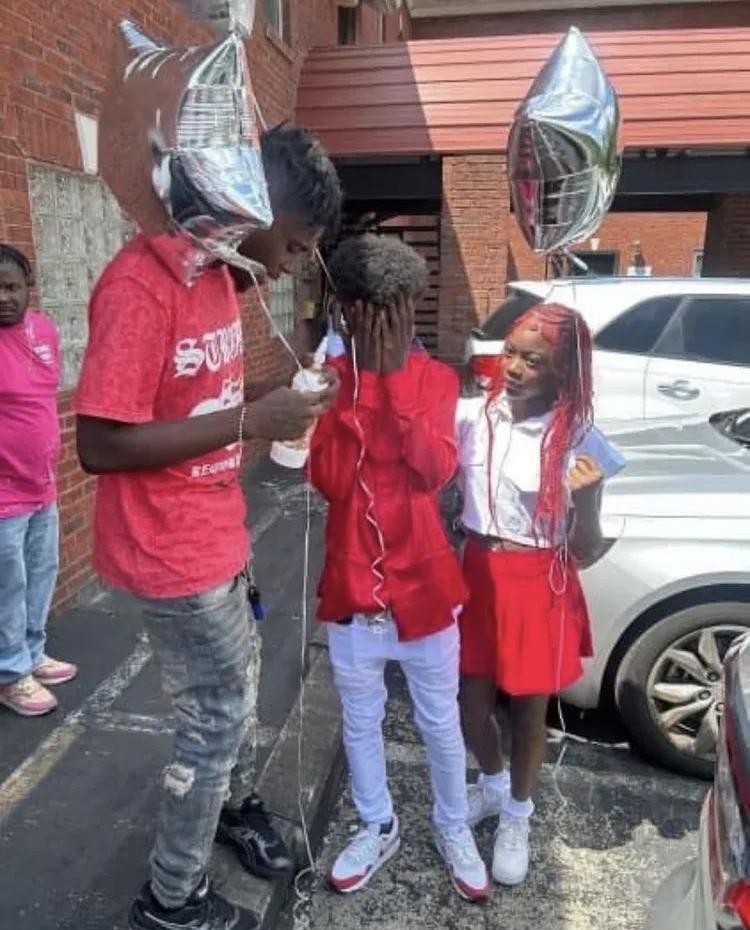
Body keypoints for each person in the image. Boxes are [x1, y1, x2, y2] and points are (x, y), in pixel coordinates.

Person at [75, 124, 342, 930]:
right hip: (169, 550)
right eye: (293, 243)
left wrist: (278, 393)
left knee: (240, 685)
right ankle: (171, 897)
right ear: (248, 207)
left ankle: (230, 804)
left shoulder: (222, 276)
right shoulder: (140, 286)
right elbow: (100, 444)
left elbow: (205, 400)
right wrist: (255, 420)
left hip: (219, 530)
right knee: (215, 717)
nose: (295, 264)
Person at [309, 234, 490, 901]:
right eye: (370, 315)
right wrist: (357, 386)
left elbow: (434, 470)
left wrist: (394, 384)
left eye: (396, 314)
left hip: (424, 591)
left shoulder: (436, 380)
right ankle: (377, 823)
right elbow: (330, 480)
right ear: (347, 314)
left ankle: (452, 824)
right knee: (360, 718)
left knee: (438, 720)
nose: (386, 330)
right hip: (353, 591)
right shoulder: (326, 383)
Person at [455, 301, 624, 887]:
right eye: (510, 354)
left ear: (562, 372)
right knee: (470, 706)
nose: (515, 368)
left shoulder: (578, 437)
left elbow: (586, 550)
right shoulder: (473, 417)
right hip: (477, 572)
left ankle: (518, 815)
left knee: (529, 713)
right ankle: (493, 784)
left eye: (533, 360)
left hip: (539, 580)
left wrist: (590, 499)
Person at [0, 245, 78, 718]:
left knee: (40, 575)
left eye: (11, 287)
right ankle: (10, 674)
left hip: (41, 486)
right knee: (7, 588)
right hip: (3, 495)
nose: (3, 297)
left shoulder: (43, 329)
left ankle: (31, 652)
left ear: (29, 288)